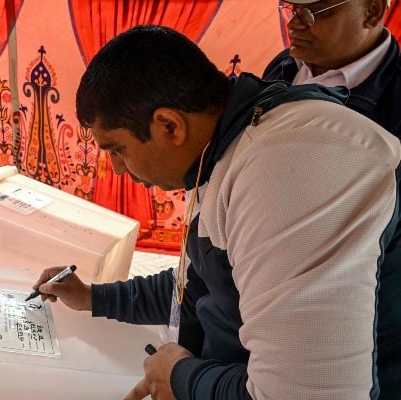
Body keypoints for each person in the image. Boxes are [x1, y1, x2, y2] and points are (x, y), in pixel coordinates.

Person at [32, 25, 401, 399]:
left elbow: (309, 394)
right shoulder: (227, 146)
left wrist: (180, 378)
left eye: (118, 149)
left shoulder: (292, 169)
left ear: (169, 125)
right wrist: (94, 297)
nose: (118, 169)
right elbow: (202, 285)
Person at [262, 0, 401, 138]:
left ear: (373, 12)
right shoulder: (284, 63)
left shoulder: (394, 112)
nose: (292, 23)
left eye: (313, 12)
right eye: (292, 8)